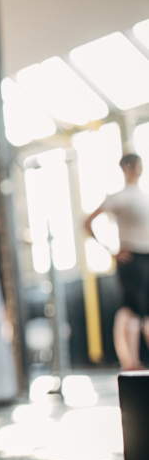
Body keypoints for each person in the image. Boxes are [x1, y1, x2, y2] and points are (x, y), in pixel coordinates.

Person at [84, 153, 148, 369]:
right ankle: (131, 361)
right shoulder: (119, 197)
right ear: (127, 168)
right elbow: (88, 222)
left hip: (146, 257)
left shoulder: (143, 196)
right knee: (132, 310)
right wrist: (111, 251)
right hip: (131, 258)